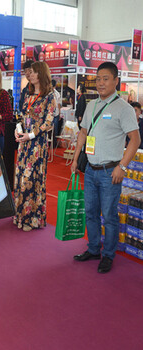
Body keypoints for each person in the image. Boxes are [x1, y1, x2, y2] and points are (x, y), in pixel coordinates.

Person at [71, 62, 140, 274]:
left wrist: (122, 166)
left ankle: (108, 255)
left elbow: (135, 140)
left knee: (109, 216)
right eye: (98, 78)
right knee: (90, 212)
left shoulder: (124, 109)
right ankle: (93, 249)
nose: (101, 83)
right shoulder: (91, 105)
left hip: (111, 172)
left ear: (116, 81)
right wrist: (75, 159)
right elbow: (83, 133)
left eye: (106, 78)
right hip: (90, 170)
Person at [14, 61, 56, 232]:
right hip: (23, 144)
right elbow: (22, 116)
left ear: (41, 74)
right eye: (29, 72)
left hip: (37, 144)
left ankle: (32, 218)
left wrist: (31, 135)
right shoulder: (28, 94)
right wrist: (18, 131)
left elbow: (50, 121)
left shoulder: (50, 96)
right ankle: (20, 216)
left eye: (33, 72)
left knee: (32, 180)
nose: (29, 75)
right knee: (20, 178)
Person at [51, 79, 62, 143]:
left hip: (56, 114)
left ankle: (54, 142)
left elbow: (58, 104)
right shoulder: (48, 92)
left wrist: (60, 114)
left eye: (52, 86)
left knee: (55, 128)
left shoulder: (57, 93)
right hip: (50, 114)